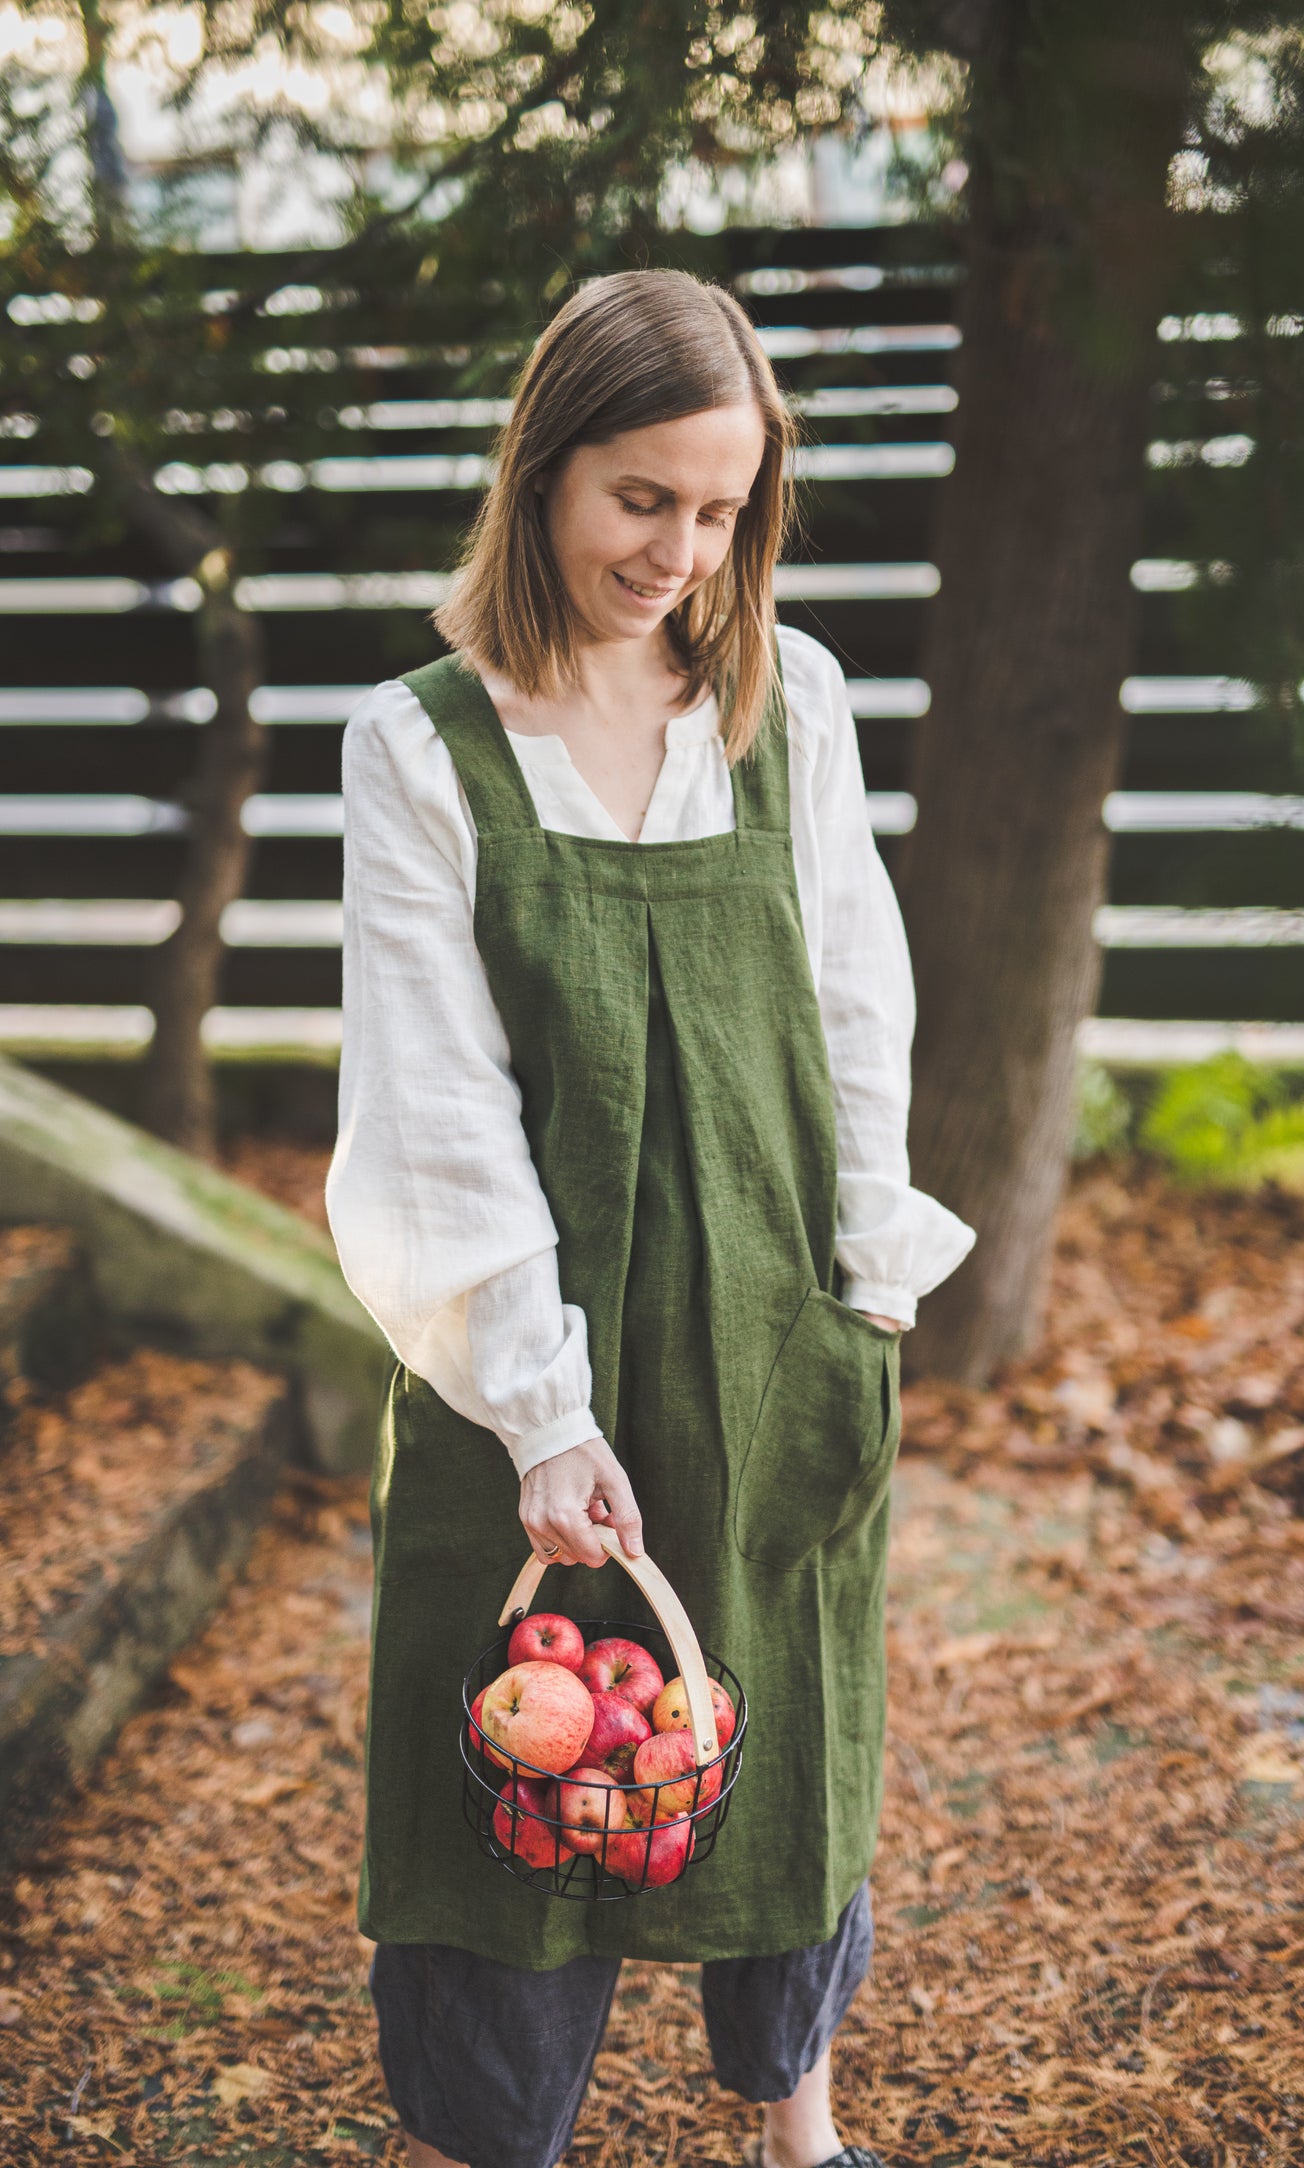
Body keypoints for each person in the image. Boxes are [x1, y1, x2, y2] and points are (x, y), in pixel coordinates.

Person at [325, 268, 974, 2168]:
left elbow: (861, 1010)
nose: (678, 551)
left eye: (719, 509)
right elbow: (430, 1104)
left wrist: (867, 1296)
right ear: (541, 469)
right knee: (515, 1755)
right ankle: (488, 2141)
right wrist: (540, 1408)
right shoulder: (420, 745)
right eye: (640, 500)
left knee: (771, 1736)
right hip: (530, 1333)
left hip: (781, 1320)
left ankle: (801, 2134)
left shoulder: (792, 698)